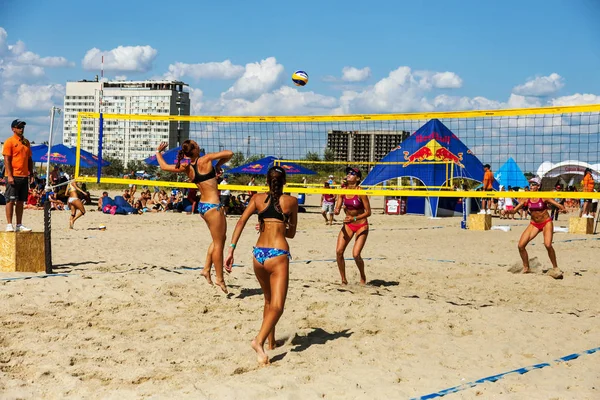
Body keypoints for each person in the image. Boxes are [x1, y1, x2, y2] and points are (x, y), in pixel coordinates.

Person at [225, 166, 298, 365]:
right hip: (277, 254)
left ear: (267, 181)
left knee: (267, 301)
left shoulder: (257, 198)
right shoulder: (291, 202)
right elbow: (290, 234)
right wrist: (283, 224)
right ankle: (259, 341)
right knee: (278, 306)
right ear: (284, 182)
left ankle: (271, 342)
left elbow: (240, 222)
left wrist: (231, 250)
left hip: (258, 255)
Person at [156, 140, 233, 293]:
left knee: (219, 239)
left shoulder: (186, 166)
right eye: (197, 144)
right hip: (213, 206)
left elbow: (164, 167)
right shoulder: (205, 159)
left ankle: (206, 269)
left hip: (202, 206)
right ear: (196, 150)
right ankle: (220, 278)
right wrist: (218, 164)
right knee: (219, 244)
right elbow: (229, 153)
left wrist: (158, 152)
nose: (199, 145)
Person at [510, 177, 566, 277]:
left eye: (533, 184)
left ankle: (555, 267)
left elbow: (559, 206)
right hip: (534, 224)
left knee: (548, 245)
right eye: (530, 184)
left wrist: (562, 209)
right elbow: (514, 211)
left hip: (546, 222)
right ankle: (526, 267)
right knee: (520, 246)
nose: (531, 186)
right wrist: (508, 211)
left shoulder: (544, 196)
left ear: (538, 186)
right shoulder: (526, 198)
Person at [333, 167, 371, 285]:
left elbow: (368, 212)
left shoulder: (361, 192)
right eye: (348, 173)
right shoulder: (343, 190)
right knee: (339, 252)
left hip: (361, 225)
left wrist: (354, 218)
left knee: (355, 254)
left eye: (352, 173)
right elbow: (338, 206)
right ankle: (344, 280)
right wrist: (337, 210)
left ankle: (363, 276)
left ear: (358, 178)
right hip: (348, 224)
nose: (349, 175)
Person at [2, 119, 33, 232]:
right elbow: (7, 159)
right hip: (13, 175)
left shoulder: (26, 142)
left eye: (22, 127)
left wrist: (31, 173)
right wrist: (9, 175)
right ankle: (9, 224)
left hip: (24, 176)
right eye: (19, 127)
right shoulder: (9, 141)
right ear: (13, 129)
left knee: (21, 201)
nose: (21, 129)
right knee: (10, 200)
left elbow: (29, 158)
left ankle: (19, 224)